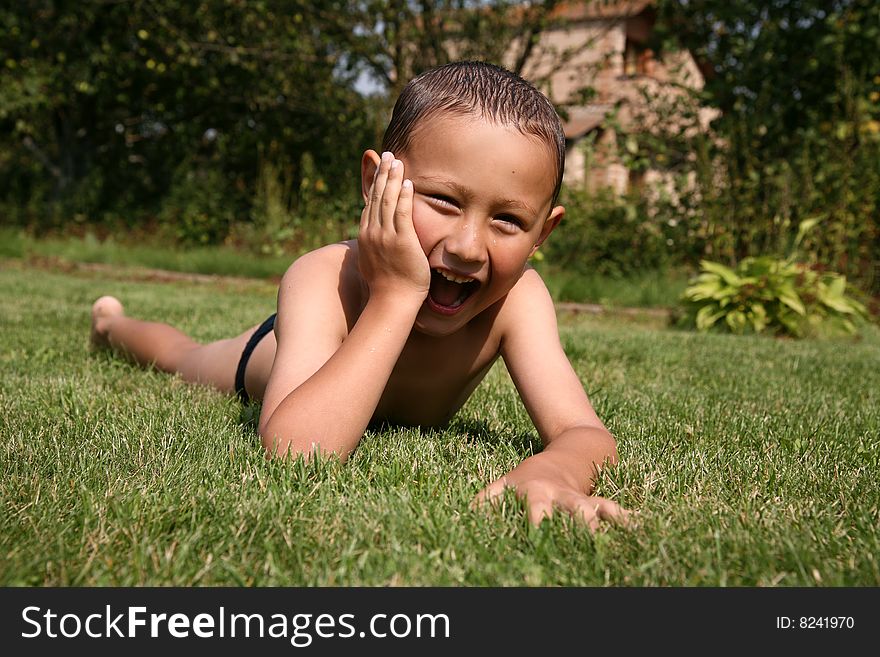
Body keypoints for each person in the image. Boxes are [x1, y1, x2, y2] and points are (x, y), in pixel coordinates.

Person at [90, 61, 628, 530]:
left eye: (508, 220)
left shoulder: (519, 301)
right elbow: (298, 454)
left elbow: (583, 432)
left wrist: (550, 470)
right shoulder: (323, 276)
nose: (467, 247)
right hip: (270, 358)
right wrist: (395, 296)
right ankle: (110, 325)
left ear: (543, 233)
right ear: (376, 183)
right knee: (183, 357)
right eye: (442, 200)